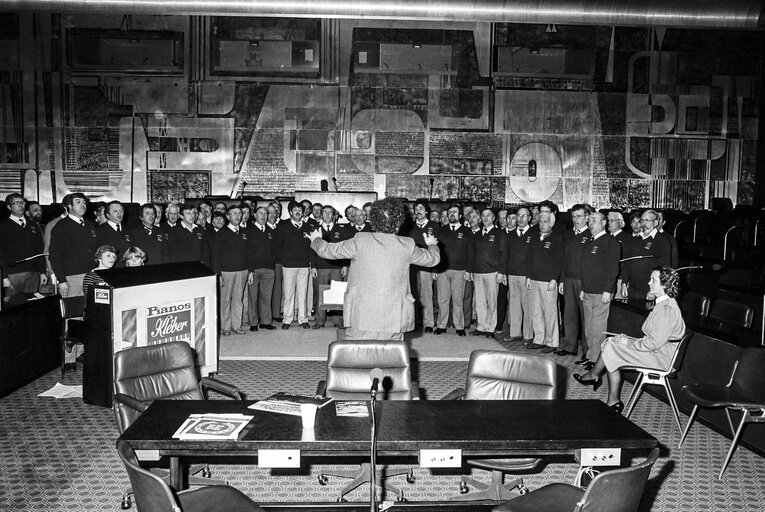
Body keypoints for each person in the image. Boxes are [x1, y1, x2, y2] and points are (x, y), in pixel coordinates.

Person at [308, 198, 440, 341]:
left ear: (374, 220)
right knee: (391, 358)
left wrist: (316, 239)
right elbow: (433, 259)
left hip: (361, 316)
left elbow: (327, 250)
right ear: (398, 223)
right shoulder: (407, 244)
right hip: (394, 318)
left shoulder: (360, 240)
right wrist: (432, 244)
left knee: (357, 357)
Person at [573, 266, 685, 413]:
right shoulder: (663, 303)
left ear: (665, 285)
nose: (649, 283)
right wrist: (625, 340)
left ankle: (599, 382)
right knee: (612, 341)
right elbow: (654, 339)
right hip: (658, 350)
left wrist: (628, 342)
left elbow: (653, 343)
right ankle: (603, 387)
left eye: (653, 280)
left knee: (612, 348)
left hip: (661, 357)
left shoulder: (666, 309)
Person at [578, 211, 621, 367]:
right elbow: (585, 268)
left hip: (601, 292)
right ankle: (590, 354)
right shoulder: (590, 242)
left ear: (604, 223)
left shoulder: (610, 242)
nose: (590, 223)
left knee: (598, 327)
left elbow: (613, 268)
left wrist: (608, 290)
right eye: (589, 221)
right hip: (588, 291)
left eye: (594, 220)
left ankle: (596, 359)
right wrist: (583, 288)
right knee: (589, 327)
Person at [525, 212, 564, 351]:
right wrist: (528, 277)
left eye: (546, 221)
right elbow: (529, 259)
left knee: (550, 312)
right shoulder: (534, 238)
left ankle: (551, 342)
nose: (542, 224)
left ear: (552, 223)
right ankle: (539, 339)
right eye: (541, 221)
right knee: (536, 311)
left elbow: (559, 261)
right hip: (534, 279)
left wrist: (554, 279)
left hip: (548, 281)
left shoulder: (557, 239)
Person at [49, 193, 99, 298]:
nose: (82, 205)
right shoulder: (61, 226)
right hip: (72, 278)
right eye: (78, 202)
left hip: (91, 276)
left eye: (84, 202)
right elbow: (54, 256)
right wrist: (62, 280)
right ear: (69, 206)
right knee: (74, 311)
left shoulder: (90, 225)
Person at [434, 204, 473, 336]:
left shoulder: (467, 231)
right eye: (450, 212)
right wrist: (435, 268)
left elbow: (470, 252)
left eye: (455, 212)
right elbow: (435, 251)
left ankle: (459, 326)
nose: (452, 214)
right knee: (442, 299)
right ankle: (441, 325)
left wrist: (468, 270)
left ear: (460, 216)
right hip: (442, 270)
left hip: (460, 270)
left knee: (458, 300)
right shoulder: (441, 230)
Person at [0, 193, 47, 302]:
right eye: (16, 203)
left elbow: (39, 250)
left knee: (30, 307)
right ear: (9, 207)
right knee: (11, 305)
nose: (20, 205)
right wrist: (4, 276)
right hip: (13, 275)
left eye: (22, 202)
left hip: (33, 274)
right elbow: (1, 253)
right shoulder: (3, 226)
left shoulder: (33, 225)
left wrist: (42, 272)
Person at [275, 201, 312, 329]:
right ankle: (287, 319)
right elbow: (277, 245)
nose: (297, 212)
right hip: (289, 265)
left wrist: (310, 262)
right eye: (295, 210)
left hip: (303, 265)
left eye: (300, 210)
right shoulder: (283, 226)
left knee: (303, 293)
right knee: (288, 294)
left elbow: (311, 247)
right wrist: (284, 259)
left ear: (303, 213)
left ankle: (303, 319)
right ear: (290, 212)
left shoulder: (308, 227)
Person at [469, 209, 505, 338]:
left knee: (492, 302)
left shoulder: (499, 233)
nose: (485, 218)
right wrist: (471, 270)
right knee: (480, 301)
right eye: (483, 215)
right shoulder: (477, 234)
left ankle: (491, 328)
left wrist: (501, 272)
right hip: (478, 272)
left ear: (493, 217)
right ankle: (481, 326)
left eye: (488, 215)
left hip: (492, 272)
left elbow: (503, 254)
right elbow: (472, 254)